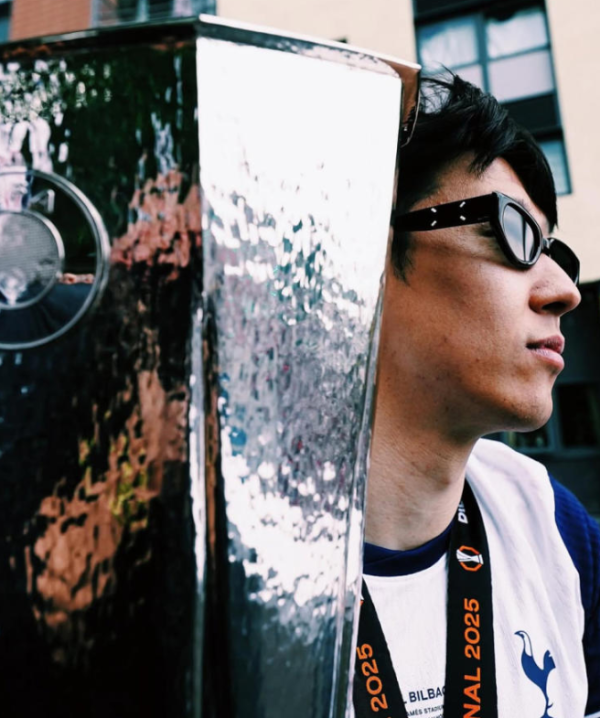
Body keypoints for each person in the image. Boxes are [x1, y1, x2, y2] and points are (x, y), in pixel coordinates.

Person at [354, 75, 600, 718]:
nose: (564, 291)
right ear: (366, 251)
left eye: (556, 252)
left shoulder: (556, 531)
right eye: (514, 233)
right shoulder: (205, 575)